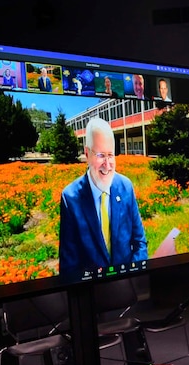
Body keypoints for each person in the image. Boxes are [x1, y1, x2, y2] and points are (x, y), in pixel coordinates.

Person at [58, 117, 148, 278]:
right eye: (101, 155)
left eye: (111, 155)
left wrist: (133, 276)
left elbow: (140, 242)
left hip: (128, 286)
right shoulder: (70, 198)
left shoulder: (126, 187)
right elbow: (69, 266)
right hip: (92, 294)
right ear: (87, 154)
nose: (107, 165)